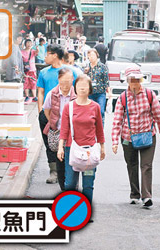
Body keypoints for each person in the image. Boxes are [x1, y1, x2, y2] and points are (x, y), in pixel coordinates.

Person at [111, 66, 160, 208]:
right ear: (127, 81)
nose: (135, 82)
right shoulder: (122, 98)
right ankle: (135, 194)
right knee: (132, 165)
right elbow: (117, 120)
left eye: (138, 79)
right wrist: (114, 141)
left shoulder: (149, 95)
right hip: (128, 137)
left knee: (146, 165)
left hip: (148, 135)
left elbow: (159, 115)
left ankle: (146, 196)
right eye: (132, 80)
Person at [58, 74, 106, 209]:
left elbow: (99, 129)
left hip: (90, 150)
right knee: (70, 184)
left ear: (90, 89)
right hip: (71, 148)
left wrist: (102, 147)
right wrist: (61, 147)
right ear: (75, 88)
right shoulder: (69, 107)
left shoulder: (95, 107)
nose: (82, 88)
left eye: (85, 86)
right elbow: (64, 128)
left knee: (88, 184)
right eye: (79, 86)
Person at [37, 44, 78, 184]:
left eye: (47, 54)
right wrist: (41, 112)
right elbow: (40, 92)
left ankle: (69, 172)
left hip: (68, 114)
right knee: (51, 144)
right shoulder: (43, 73)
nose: (45, 57)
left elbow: (80, 88)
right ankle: (54, 171)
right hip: (48, 112)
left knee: (69, 144)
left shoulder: (71, 71)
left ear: (55, 55)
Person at [42, 68, 77, 191]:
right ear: (58, 80)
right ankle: (64, 188)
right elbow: (46, 110)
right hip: (58, 133)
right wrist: (54, 122)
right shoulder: (52, 94)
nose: (65, 85)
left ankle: (72, 189)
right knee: (61, 164)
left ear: (73, 80)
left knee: (73, 163)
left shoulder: (77, 94)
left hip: (73, 135)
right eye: (62, 82)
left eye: (68, 81)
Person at [85, 49, 111, 125]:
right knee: (90, 113)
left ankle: (100, 129)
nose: (91, 57)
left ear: (97, 56)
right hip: (90, 93)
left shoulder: (103, 67)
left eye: (93, 55)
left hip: (100, 93)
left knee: (101, 111)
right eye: (89, 56)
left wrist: (109, 92)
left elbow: (106, 80)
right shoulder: (87, 68)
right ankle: (92, 129)